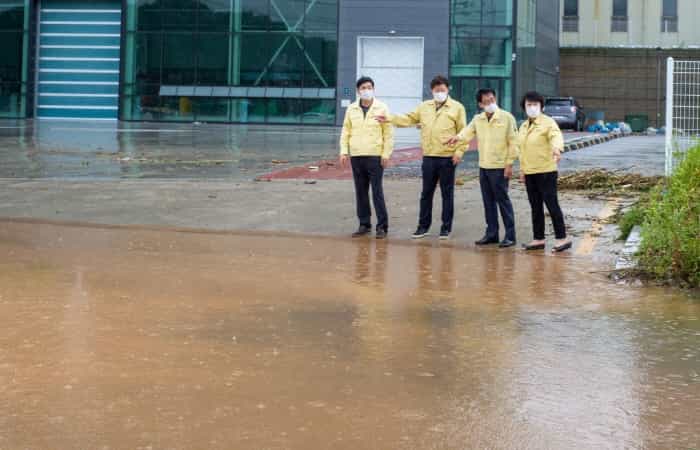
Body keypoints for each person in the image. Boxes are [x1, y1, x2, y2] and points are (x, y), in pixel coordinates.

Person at [376, 75, 467, 240]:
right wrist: (389, 118)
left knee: (447, 193)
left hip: (447, 157)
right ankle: (423, 226)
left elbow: (463, 132)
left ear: (448, 90)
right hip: (429, 157)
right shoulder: (425, 107)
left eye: (443, 90)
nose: (440, 92)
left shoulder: (457, 108)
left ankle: (446, 228)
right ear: (432, 90)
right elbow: (409, 118)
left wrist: (459, 152)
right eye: (436, 90)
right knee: (426, 193)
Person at [446, 88, 518, 248]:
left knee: (503, 201)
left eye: (492, 100)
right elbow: (467, 132)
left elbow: (514, 142)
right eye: (486, 102)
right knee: (488, 202)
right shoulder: (478, 119)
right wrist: (456, 138)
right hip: (484, 166)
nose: (490, 103)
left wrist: (509, 163)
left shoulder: (506, 118)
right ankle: (492, 233)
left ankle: (510, 235)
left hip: (500, 167)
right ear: (480, 104)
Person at [340, 76, 394, 239]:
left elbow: (388, 133)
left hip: (375, 156)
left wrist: (386, 154)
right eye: (363, 88)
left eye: (369, 87)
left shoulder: (382, 108)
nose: (367, 90)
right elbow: (346, 131)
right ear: (358, 91)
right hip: (357, 156)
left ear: (373, 89)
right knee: (361, 191)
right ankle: (364, 224)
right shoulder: (351, 109)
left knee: (377, 191)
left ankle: (382, 226)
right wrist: (344, 151)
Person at [517, 91, 572, 252]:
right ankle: (538, 239)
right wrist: (522, 170)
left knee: (551, 204)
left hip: (546, 171)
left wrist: (557, 149)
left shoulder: (548, 123)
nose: (532, 107)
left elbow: (556, 136)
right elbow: (522, 149)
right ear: (524, 107)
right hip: (530, 172)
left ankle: (562, 238)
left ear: (541, 106)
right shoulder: (523, 126)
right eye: (529, 105)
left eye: (535, 104)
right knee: (535, 207)